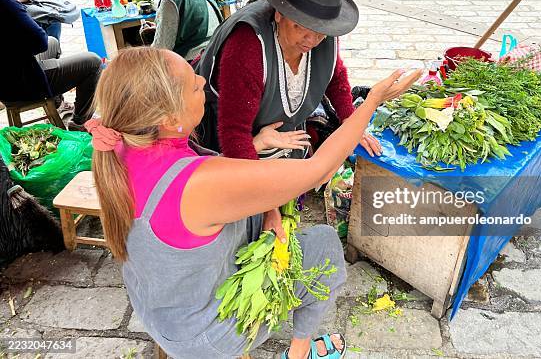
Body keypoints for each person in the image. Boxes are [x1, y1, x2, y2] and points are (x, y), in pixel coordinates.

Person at [86, 44, 421, 359]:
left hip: (163, 308)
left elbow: (198, 188)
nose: (203, 78)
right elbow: (318, 170)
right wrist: (372, 101)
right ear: (167, 118)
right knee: (324, 244)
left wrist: (258, 159)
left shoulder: (118, 142)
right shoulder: (197, 184)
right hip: (206, 332)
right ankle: (299, 351)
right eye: (192, 85)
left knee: (275, 227)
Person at [195, 0, 383, 161]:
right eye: (300, 27)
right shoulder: (246, 46)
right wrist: (254, 184)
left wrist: (351, 123)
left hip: (286, 143)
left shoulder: (326, 34)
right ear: (279, 14)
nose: (311, 41)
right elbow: (234, 134)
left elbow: (334, 75)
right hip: (235, 147)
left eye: (319, 32)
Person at [0, 0, 101, 129]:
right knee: (93, 62)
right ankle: (80, 121)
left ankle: (55, 101)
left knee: (53, 41)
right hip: (21, 82)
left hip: (7, 75)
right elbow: (38, 41)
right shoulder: (6, 2)